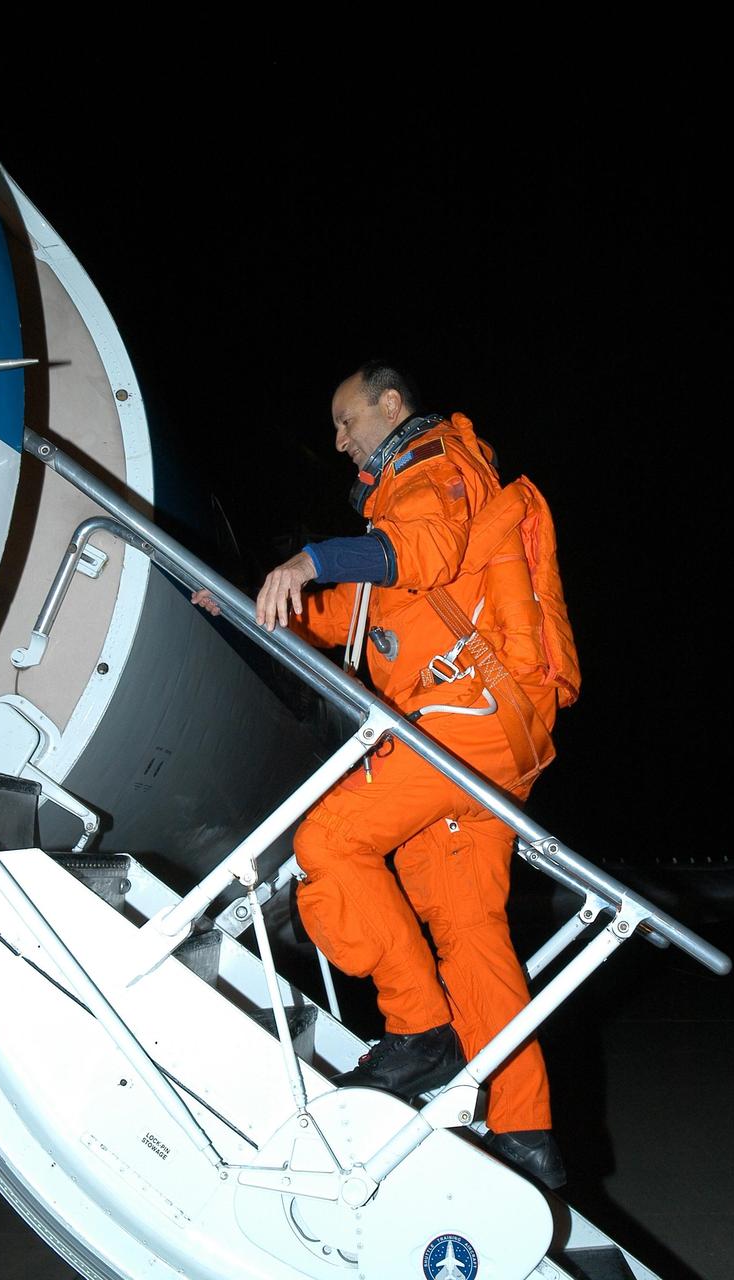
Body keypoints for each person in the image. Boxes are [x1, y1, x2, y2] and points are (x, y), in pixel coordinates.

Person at [194, 361, 579, 1189]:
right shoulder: (400, 510)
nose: (338, 441)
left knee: (331, 841)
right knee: (471, 935)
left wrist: (311, 558)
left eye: (345, 420)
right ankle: (527, 1137)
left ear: (391, 403)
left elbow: (418, 550)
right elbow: (358, 617)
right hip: (490, 740)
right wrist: (244, 603)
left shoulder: (437, 468)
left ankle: (417, 1031)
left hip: (465, 725)